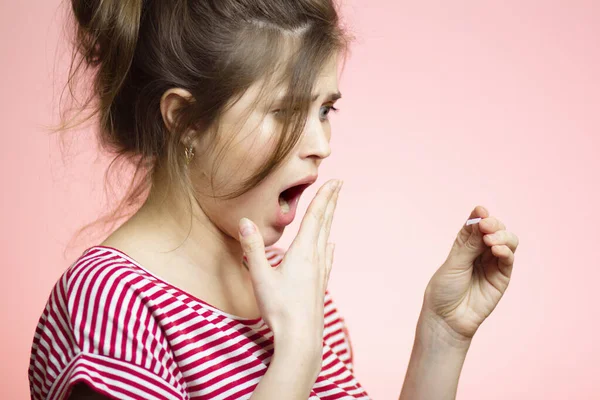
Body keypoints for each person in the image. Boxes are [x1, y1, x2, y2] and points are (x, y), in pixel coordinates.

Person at [28, 0, 520, 399]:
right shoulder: (112, 304)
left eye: (325, 109)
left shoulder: (290, 286)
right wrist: (297, 353)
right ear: (185, 119)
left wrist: (442, 337)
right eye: (284, 110)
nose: (321, 145)